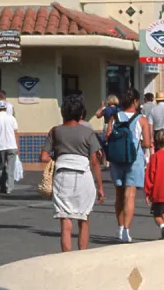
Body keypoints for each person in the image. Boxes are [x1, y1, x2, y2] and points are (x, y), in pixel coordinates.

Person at [40, 94, 105, 252]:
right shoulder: (88, 133)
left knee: (65, 221)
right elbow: (95, 161)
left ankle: (66, 259)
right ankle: (81, 257)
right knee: (83, 219)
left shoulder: (55, 131)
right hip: (83, 176)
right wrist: (100, 187)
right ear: (81, 113)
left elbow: (43, 157)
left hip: (62, 176)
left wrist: (57, 155)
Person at [105, 90, 153, 243]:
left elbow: (107, 136)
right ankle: (126, 230)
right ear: (135, 102)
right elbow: (146, 143)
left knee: (119, 194)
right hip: (134, 159)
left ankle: (119, 228)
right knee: (130, 195)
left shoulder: (115, 117)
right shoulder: (142, 120)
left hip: (117, 158)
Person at [0, 100, 20, 193]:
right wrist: (17, 146)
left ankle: (2, 186)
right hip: (12, 145)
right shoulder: (12, 118)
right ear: (5, 108)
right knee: (10, 167)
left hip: (0, 146)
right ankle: (9, 187)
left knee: (1, 167)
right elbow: (16, 133)